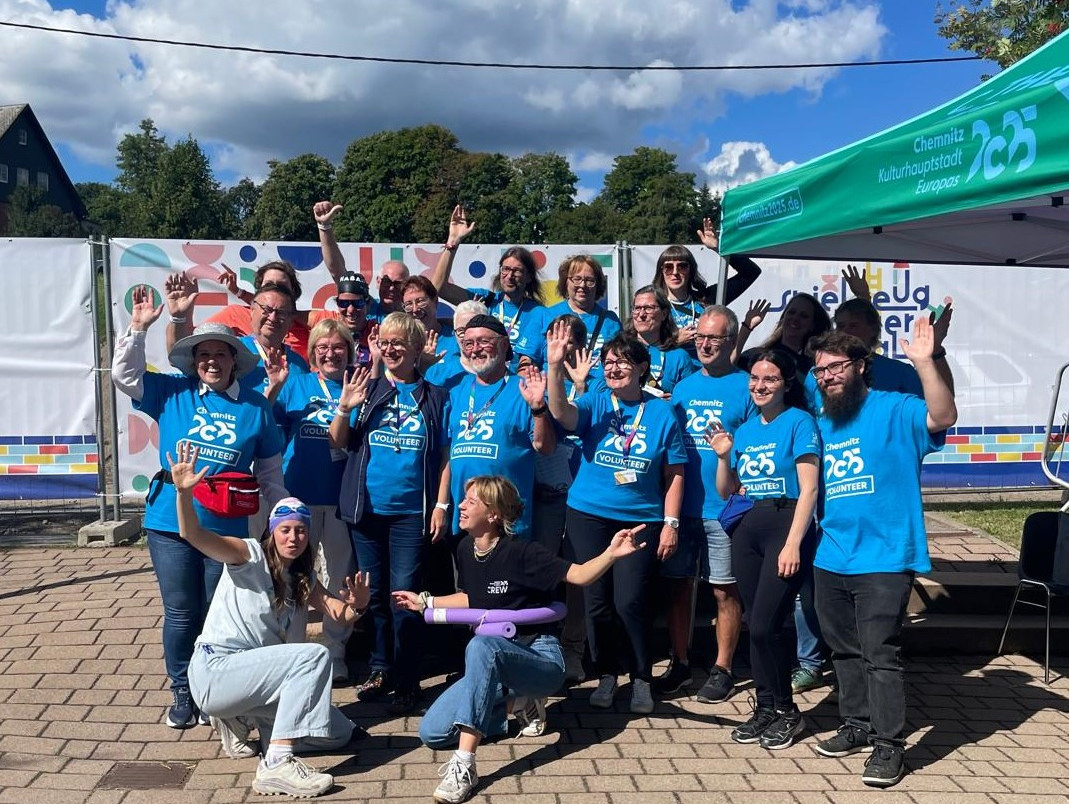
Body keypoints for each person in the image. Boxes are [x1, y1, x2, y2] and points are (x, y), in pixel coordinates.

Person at [393, 475, 650, 804]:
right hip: (494, 663)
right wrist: (425, 601)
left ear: (495, 514)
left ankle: (465, 764)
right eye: (464, 499)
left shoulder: (523, 552)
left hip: (539, 657)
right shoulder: (463, 548)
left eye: (471, 501)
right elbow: (473, 598)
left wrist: (611, 555)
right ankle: (521, 704)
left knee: (481, 644)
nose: (460, 505)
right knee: (433, 732)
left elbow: (578, 575)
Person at [112, 288, 286, 729]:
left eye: (220, 354)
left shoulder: (256, 407)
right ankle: (182, 692)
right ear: (193, 361)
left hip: (225, 531)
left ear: (234, 360)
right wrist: (139, 327)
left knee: (216, 611)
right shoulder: (172, 392)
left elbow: (269, 475)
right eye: (203, 354)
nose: (211, 361)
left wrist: (282, 514)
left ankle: (215, 691)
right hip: (169, 522)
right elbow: (125, 377)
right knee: (182, 611)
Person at [171, 442, 371, 799]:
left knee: (339, 732)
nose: (294, 537)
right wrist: (184, 495)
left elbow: (337, 611)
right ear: (272, 532)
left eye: (301, 531)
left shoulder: (302, 578)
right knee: (314, 656)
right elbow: (194, 535)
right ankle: (276, 764)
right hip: (217, 670)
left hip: (257, 681)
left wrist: (358, 606)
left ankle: (243, 720)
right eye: (286, 530)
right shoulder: (248, 555)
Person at [808, 322, 956, 788]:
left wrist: (925, 362)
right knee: (843, 651)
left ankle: (889, 746)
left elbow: (944, 416)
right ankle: (855, 725)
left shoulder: (896, 408)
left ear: (861, 366)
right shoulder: (820, 420)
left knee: (880, 654)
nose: (827, 376)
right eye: (820, 371)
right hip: (830, 555)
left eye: (835, 367)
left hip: (885, 556)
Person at [546, 330, 687, 714]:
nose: (613, 367)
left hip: (640, 520)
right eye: (608, 361)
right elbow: (562, 414)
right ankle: (607, 673)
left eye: (623, 360)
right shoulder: (594, 401)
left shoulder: (660, 411)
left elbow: (674, 472)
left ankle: (641, 677)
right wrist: (555, 367)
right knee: (596, 601)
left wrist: (671, 522)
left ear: (642, 367)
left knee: (631, 601)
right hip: (588, 515)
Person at [329, 312, 450, 713]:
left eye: (401, 342)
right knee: (376, 595)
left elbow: (445, 455)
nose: (392, 348)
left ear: (417, 349)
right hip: (366, 511)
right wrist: (345, 408)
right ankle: (381, 667)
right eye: (385, 342)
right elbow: (341, 443)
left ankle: (408, 675)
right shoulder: (368, 388)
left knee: (405, 596)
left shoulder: (436, 397)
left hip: (410, 514)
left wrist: (440, 504)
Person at [707, 348, 820, 750]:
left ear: (787, 383)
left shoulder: (800, 422)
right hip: (747, 527)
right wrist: (723, 457)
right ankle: (766, 708)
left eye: (770, 379)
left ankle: (788, 711)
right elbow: (727, 490)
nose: (760, 385)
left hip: (784, 525)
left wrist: (793, 542)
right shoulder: (748, 429)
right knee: (755, 620)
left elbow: (809, 488)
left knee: (768, 623)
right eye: (755, 378)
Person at [656, 306, 756, 701]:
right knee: (678, 589)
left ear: (731, 341)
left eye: (714, 337)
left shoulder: (747, 385)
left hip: (724, 510)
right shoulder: (682, 388)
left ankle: (723, 668)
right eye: (700, 336)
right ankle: (680, 663)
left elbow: (755, 447)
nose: (705, 343)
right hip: (682, 509)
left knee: (723, 591)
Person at [274, 319, 360, 682]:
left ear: (349, 353)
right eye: (322, 347)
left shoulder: (360, 387)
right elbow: (269, 428)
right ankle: (291, 649)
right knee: (294, 573)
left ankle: (335, 650)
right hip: (300, 496)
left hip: (341, 496)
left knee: (340, 573)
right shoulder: (296, 384)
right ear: (311, 355)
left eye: (338, 347)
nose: (330, 353)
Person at [439, 315, 556, 541]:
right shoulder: (456, 391)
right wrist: (441, 505)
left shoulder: (524, 389)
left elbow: (546, 447)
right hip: (463, 521)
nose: (475, 349)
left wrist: (538, 408)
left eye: (484, 342)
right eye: (468, 343)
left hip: (508, 524)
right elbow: (447, 455)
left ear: (504, 345)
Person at [430, 205, 547, 364]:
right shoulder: (486, 300)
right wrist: (452, 243)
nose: (509, 276)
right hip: (481, 374)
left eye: (517, 271)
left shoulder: (539, 313)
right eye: (505, 269)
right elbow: (438, 289)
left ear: (529, 277)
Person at [651, 218, 762, 359]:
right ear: (661, 271)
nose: (675, 272)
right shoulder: (653, 305)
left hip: (705, 374)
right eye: (668, 267)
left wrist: (719, 248)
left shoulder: (708, 298)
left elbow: (751, 272)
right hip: (668, 376)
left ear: (691, 270)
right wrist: (674, 341)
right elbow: (641, 346)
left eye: (682, 266)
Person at [316, 200, 409, 320]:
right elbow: (338, 273)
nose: (391, 288)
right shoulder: (366, 306)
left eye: (397, 284)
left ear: (406, 286)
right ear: (378, 282)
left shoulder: (414, 315)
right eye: (386, 281)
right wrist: (324, 227)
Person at [539, 255, 621, 378]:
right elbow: (530, 358)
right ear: (565, 282)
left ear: (598, 284)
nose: (583, 285)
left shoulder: (611, 321)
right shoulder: (547, 315)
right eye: (576, 279)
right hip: (556, 388)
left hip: (597, 390)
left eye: (589, 280)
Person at [622, 285, 696, 395]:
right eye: (637, 308)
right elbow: (603, 389)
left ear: (664, 314)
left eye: (648, 308)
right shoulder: (620, 350)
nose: (641, 314)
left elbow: (689, 398)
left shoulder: (679, 357)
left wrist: (671, 403)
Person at [738, 292, 832, 380]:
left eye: (804, 316)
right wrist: (746, 328)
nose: (795, 318)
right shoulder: (755, 355)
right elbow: (728, 368)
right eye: (791, 312)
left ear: (812, 325)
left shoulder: (813, 367)